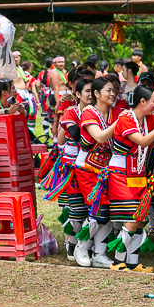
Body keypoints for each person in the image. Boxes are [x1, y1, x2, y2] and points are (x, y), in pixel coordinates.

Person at [106, 85, 154, 273]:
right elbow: (143, 141)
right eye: (153, 101)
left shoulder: (150, 119)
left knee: (141, 218)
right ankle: (118, 261)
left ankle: (132, 262)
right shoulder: (125, 118)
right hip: (120, 173)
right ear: (142, 101)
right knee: (133, 217)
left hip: (138, 174)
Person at [72, 77, 121, 269]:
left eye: (113, 91)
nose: (112, 94)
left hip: (107, 169)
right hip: (88, 167)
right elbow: (100, 137)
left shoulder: (114, 112)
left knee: (109, 211)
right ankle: (81, 247)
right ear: (96, 94)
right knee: (96, 209)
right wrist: (120, 122)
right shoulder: (88, 113)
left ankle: (100, 253)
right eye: (108, 90)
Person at [53, 78, 93, 262]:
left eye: (94, 91)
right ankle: (76, 242)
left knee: (94, 209)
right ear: (77, 94)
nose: (91, 95)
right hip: (73, 165)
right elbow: (70, 137)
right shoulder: (71, 112)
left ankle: (85, 245)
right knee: (75, 208)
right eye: (87, 91)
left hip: (94, 167)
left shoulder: (100, 112)